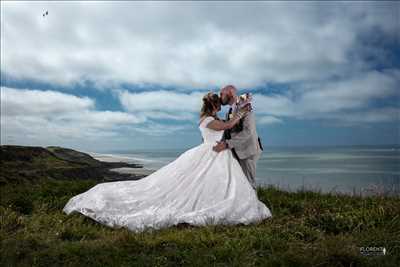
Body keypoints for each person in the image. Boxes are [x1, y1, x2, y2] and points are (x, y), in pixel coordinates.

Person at [62, 92, 272, 232]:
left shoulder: (205, 119)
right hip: (212, 153)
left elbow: (225, 127)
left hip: (216, 153)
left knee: (209, 184)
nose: (219, 108)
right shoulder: (209, 120)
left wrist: (239, 111)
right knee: (199, 185)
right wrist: (242, 111)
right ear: (214, 106)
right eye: (218, 105)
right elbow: (228, 126)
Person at [213, 85, 263, 189]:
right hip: (237, 152)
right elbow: (229, 130)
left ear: (230, 92)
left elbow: (248, 132)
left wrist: (227, 144)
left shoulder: (245, 107)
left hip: (247, 151)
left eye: (222, 93)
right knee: (240, 185)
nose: (220, 96)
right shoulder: (230, 112)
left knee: (249, 184)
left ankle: (253, 205)